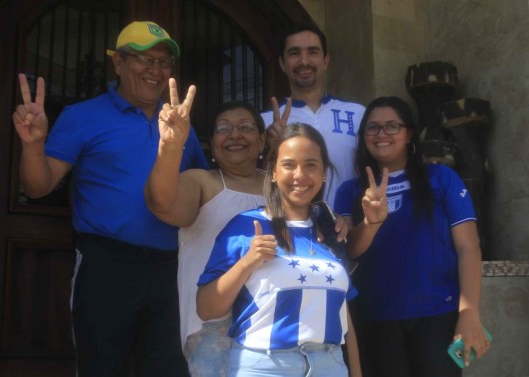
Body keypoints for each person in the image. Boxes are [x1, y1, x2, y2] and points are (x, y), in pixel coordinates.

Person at [11, 20, 208, 377]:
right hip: (106, 263)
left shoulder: (180, 124)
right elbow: (38, 186)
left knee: (168, 368)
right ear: (118, 62)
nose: (155, 71)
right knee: (101, 367)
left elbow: (205, 191)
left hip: (172, 266)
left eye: (163, 62)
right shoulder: (83, 117)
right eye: (143, 60)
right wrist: (32, 144)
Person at [196, 123, 382, 377]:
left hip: (330, 364)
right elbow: (206, 309)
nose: (300, 175)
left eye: (311, 165)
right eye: (289, 165)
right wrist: (246, 263)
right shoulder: (244, 226)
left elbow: (344, 314)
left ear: (324, 173)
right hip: (264, 367)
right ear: (272, 172)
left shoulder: (331, 230)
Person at [334, 97, 490, 376]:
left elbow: (469, 248)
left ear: (408, 134)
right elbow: (349, 253)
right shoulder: (349, 191)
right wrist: (370, 222)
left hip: (438, 317)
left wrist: (469, 313)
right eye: (373, 128)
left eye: (392, 126)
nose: (381, 134)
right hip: (374, 320)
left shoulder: (442, 179)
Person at [145, 100, 267, 376]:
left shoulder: (282, 186)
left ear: (262, 142)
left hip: (276, 325)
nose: (235, 134)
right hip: (214, 331)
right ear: (212, 144)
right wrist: (171, 146)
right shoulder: (202, 182)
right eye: (224, 129)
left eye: (245, 127)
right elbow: (161, 203)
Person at [261, 23, 365, 205]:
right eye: (294, 53)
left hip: (352, 227)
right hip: (293, 228)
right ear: (282, 64)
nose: (304, 61)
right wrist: (269, 150)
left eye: (312, 52)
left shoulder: (358, 114)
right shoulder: (265, 122)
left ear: (326, 61)